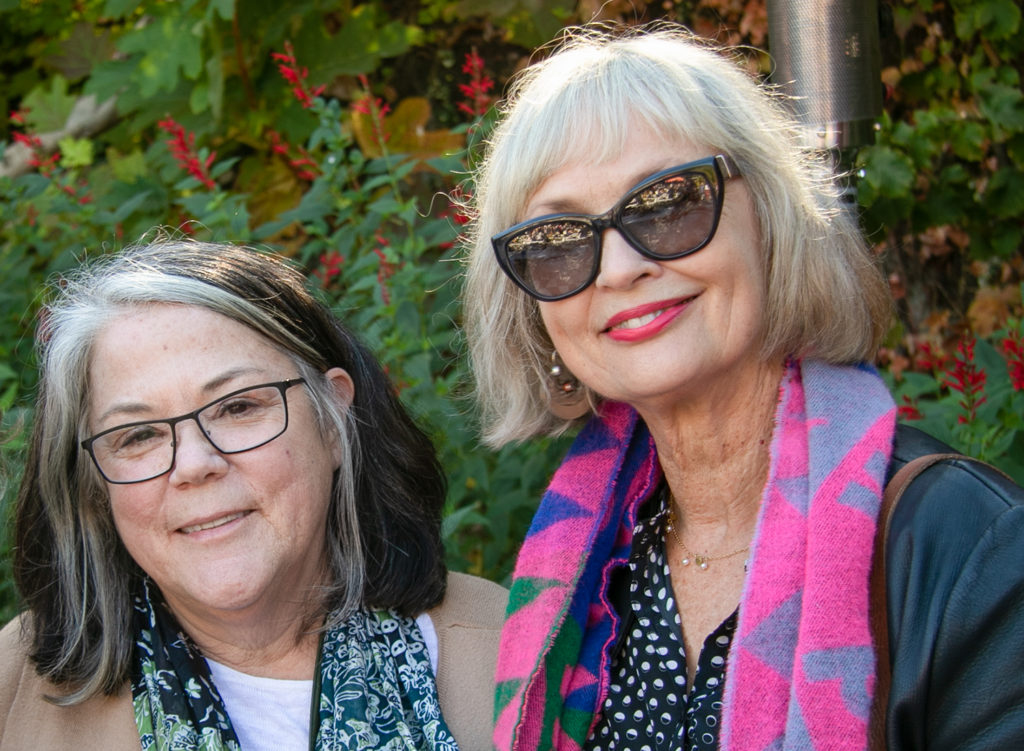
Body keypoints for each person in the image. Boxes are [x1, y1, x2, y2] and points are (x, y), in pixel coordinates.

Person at [462, 23, 1024, 751]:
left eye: (668, 201)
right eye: (560, 239)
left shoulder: (967, 544)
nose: (620, 266)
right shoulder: (590, 570)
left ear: (772, 217)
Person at [0, 238, 507, 750]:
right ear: (92, 484)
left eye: (238, 407)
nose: (194, 465)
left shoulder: (521, 657)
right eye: (138, 436)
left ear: (333, 421)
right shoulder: (10, 692)